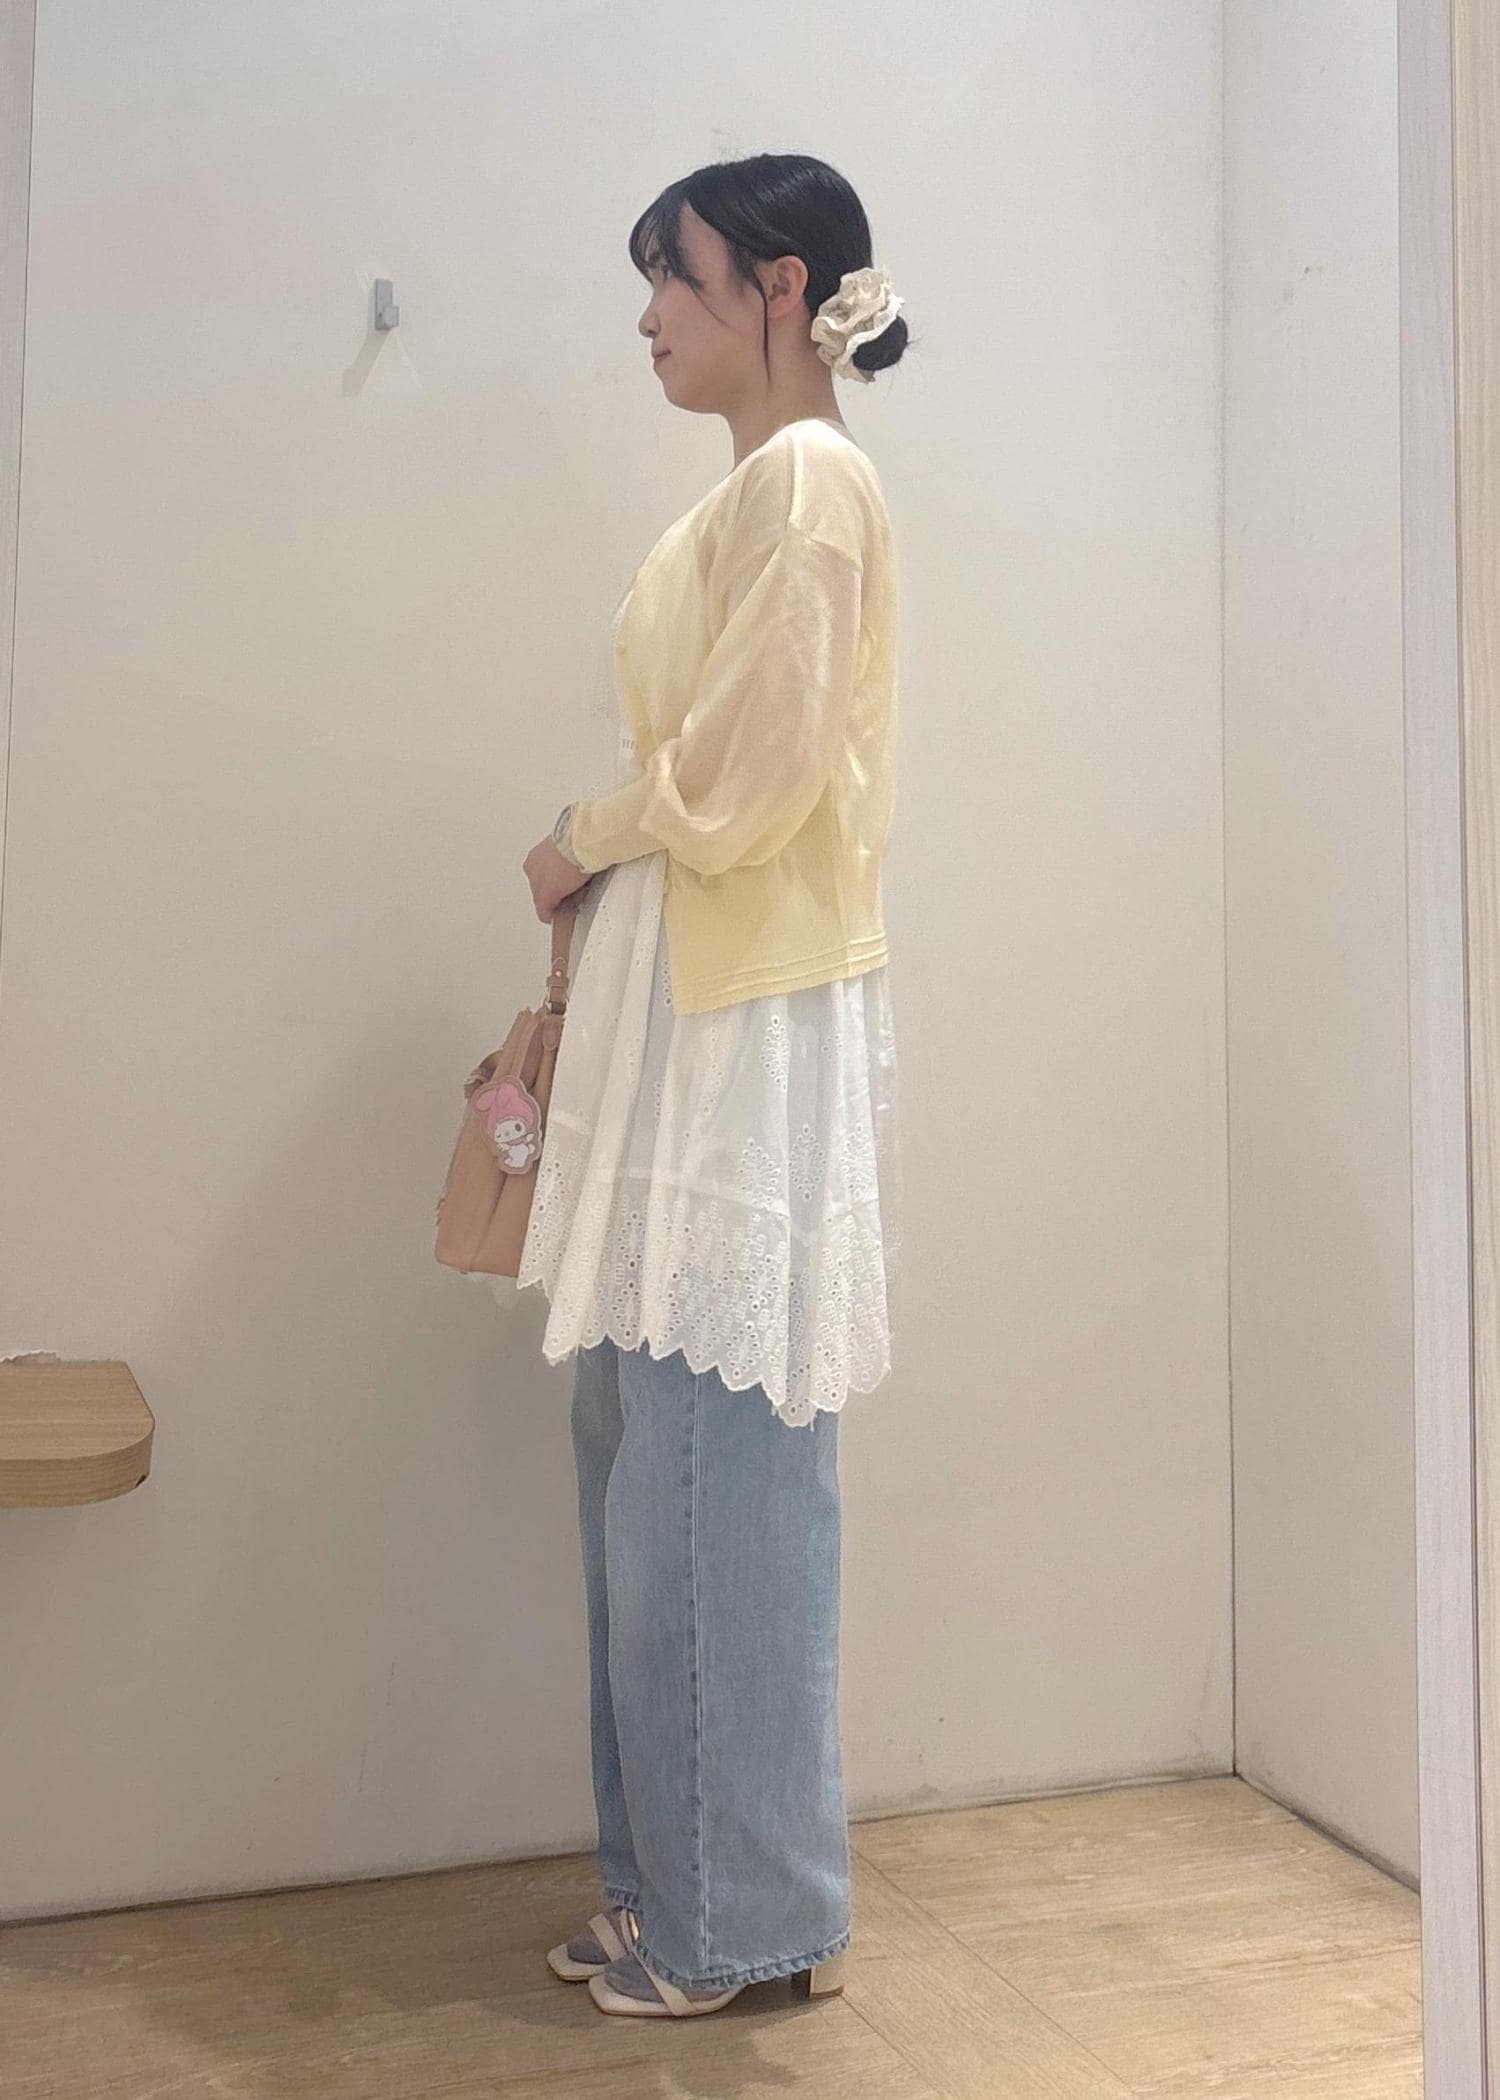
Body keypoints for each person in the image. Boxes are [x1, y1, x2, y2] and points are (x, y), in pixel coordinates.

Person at [514, 153, 909, 2019]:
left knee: (704, 1475)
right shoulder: (759, 492)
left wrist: (582, 835)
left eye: (672, 277)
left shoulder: (812, 482)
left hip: (741, 1022)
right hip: (691, 1017)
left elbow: (745, 781)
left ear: (780, 285)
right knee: (651, 1464)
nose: (648, 315)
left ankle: (731, 1919)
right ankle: (693, 1896)